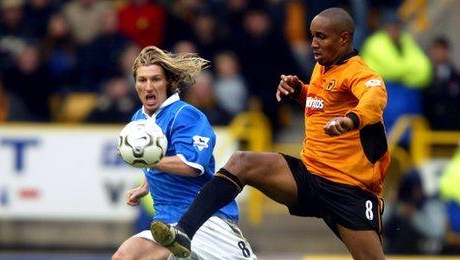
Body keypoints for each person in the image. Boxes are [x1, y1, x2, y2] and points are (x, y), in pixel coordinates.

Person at [150, 8, 389, 259]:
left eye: (321, 37)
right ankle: (184, 231)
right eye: (312, 36)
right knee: (242, 162)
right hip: (310, 175)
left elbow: (374, 99)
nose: (313, 44)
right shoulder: (323, 66)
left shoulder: (360, 72)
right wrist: (300, 92)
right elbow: (326, 101)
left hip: (348, 189)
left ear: (344, 38)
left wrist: (351, 120)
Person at [111, 46, 256, 260]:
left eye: (156, 79)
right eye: (142, 80)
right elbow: (157, 160)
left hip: (206, 224)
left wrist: (151, 159)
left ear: (168, 82)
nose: (148, 86)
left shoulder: (185, 115)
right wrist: (145, 186)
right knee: (126, 256)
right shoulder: (138, 120)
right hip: (167, 223)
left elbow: (191, 166)